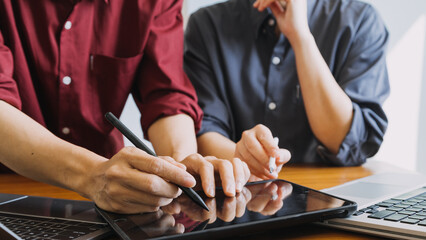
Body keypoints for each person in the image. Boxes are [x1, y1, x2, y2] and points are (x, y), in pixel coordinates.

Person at [0, 0, 250, 214]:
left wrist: (180, 166)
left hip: (108, 196)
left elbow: (167, 93)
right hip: (9, 185)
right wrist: (91, 175)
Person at [184, 0, 390, 179]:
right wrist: (242, 155)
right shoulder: (207, 25)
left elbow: (351, 142)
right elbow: (204, 131)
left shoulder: (360, 21)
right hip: (240, 196)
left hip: (331, 199)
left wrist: (300, 36)